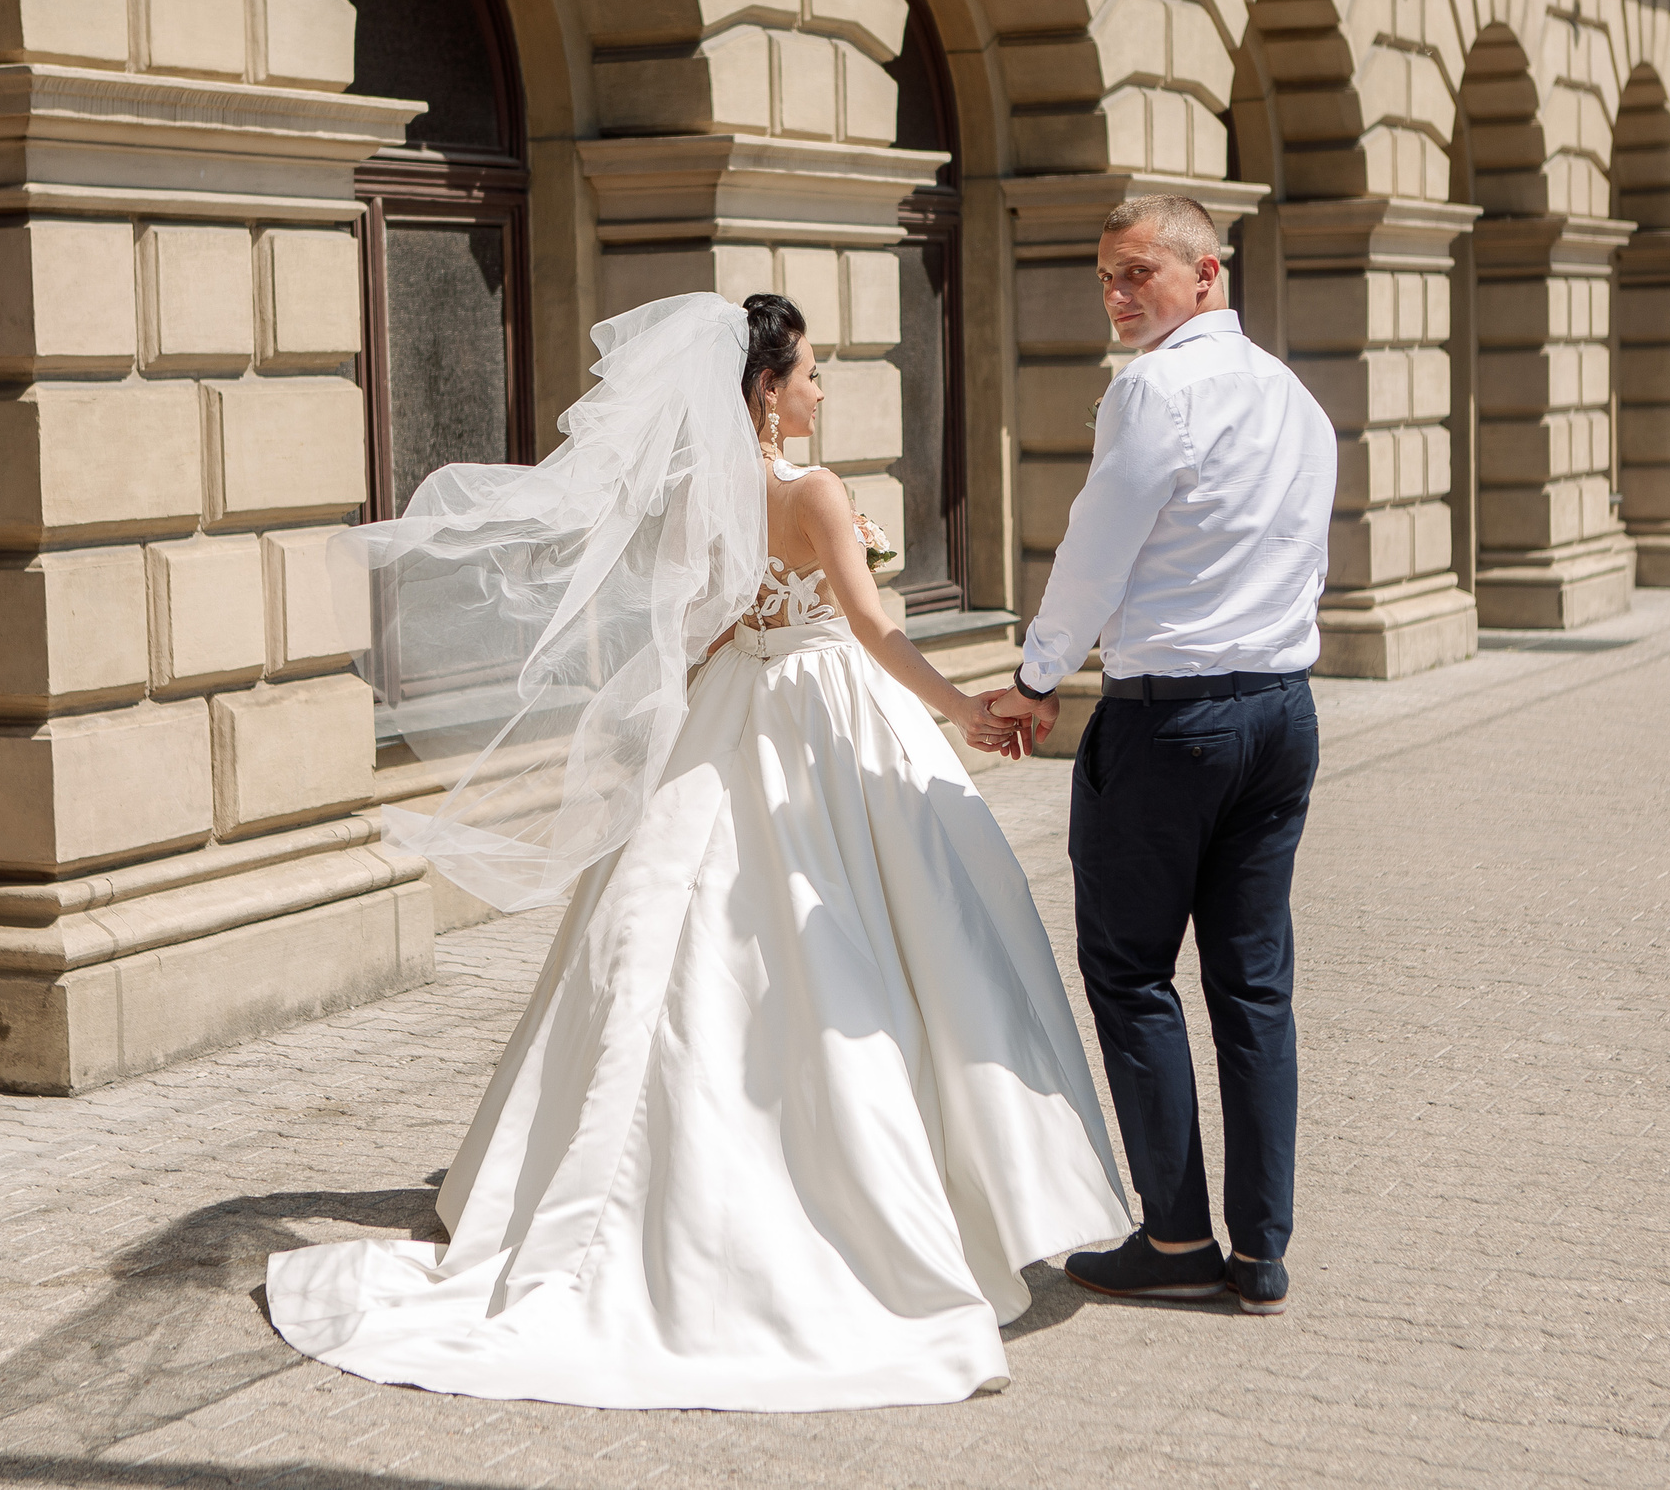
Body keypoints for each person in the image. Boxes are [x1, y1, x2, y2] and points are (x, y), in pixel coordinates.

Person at [264, 292, 1131, 1411]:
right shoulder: (814, 490)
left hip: (731, 709)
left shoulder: (706, 492)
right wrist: (965, 711)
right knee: (878, 944)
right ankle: (874, 1202)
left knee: (665, 940)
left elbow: (701, 627)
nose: (821, 388)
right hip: (824, 712)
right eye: (810, 372)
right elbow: (870, 630)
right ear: (766, 392)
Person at [982, 195, 1336, 1318]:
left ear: (1207, 275)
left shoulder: (1154, 389)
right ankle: (1263, 1253)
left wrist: (1037, 679)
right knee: (1252, 984)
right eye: (1106, 277)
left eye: (1139, 273)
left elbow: (1094, 552)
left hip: (1174, 722)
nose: (1119, 294)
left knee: (1133, 974)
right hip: (1282, 714)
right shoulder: (1292, 394)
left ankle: (1181, 1240)